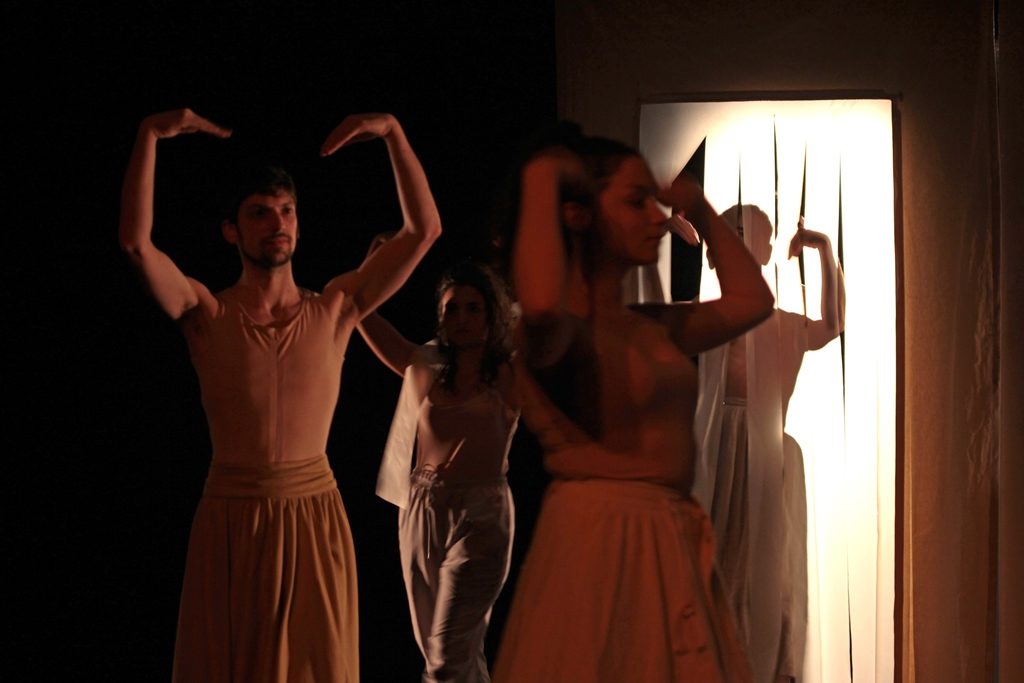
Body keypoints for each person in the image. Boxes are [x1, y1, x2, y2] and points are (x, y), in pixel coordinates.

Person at [118, 108, 441, 682]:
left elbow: (424, 231)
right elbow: (137, 245)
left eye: (287, 210)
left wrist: (394, 132)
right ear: (231, 230)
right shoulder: (206, 313)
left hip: (313, 516)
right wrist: (148, 136)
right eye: (260, 213)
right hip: (232, 520)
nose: (277, 223)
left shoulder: (335, 308)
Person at [491, 130, 774, 682]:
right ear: (579, 216)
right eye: (635, 200)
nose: (657, 216)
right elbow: (547, 301)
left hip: (667, 541)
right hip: (603, 545)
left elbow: (753, 301)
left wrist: (698, 204)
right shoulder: (553, 334)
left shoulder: (652, 325)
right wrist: (545, 171)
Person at [693, 205, 845, 683]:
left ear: (764, 246)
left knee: (772, 581)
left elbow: (833, 323)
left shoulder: (783, 324)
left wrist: (822, 248)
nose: (733, 243)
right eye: (725, 234)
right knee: (719, 575)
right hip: (716, 458)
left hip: (767, 458)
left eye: (744, 233)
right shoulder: (703, 322)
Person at [359, 254, 519, 683]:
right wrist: (371, 269)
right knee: (449, 653)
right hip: (421, 511)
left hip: (481, 517)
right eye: (452, 308)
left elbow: (556, 325)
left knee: (445, 660)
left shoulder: (509, 373)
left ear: (490, 313)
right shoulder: (427, 366)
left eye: (473, 307)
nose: (461, 317)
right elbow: (361, 313)